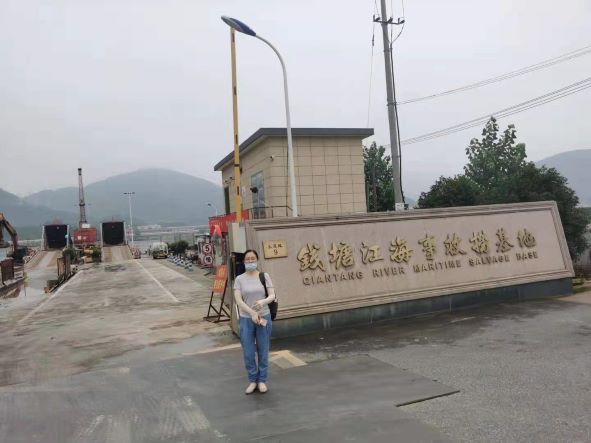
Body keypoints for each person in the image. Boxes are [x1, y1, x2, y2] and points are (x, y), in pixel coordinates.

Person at [233, 249, 275, 394]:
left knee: (263, 350)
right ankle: (252, 380)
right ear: (244, 261)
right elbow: (238, 300)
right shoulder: (239, 279)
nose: (250, 261)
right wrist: (252, 313)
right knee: (248, 352)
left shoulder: (264, 276)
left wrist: (263, 302)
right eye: (248, 259)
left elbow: (272, 295)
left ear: (257, 260)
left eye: (253, 259)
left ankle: (262, 380)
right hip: (246, 319)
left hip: (264, 317)